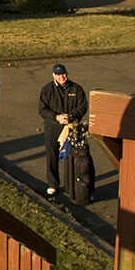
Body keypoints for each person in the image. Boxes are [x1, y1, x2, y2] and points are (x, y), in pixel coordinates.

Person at [38, 63, 88, 196]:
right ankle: (53, 184)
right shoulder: (47, 90)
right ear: (54, 75)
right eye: (59, 75)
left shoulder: (76, 89)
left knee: (72, 156)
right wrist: (57, 117)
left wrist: (71, 116)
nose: (62, 77)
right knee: (52, 155)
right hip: (53, 127)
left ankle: (72, 184)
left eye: (64, 74)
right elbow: (42, 110)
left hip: (71, 127)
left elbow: (83, 106)